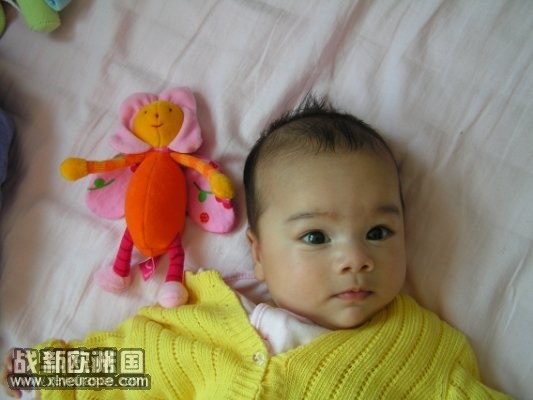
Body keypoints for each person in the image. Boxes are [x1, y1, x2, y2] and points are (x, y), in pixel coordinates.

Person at [2, 96, 510, 399]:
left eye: (379, 232)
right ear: (259, 253)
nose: (357, 258)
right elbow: (132, 362)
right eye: (316, 237)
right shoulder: (207, 322)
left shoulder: (419, 350)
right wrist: (46, 369)